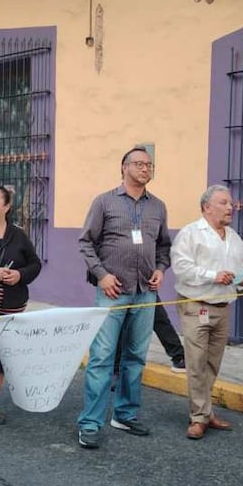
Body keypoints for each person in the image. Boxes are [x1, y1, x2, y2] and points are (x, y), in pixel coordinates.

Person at [76, 146, 172, 449]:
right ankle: (90, 423)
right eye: (139, 164)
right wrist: (102, 275)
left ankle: (125, 414)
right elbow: (86, 243)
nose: (145, 169)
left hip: (145, 294)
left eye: (149, 165)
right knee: (102, 359)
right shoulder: (104, 202)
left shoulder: (158, 206)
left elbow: (164, 246)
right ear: (124, 168)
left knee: (135, 357)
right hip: (112, 293)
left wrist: (160, 269)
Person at [171, 185, 243, 439]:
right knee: (196, 363)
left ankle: (205, 412)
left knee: (212, 364)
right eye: (224, 203)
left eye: (231, 203)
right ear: (207, 207)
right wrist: (213, 276)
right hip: (196, 306)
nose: (231, 207)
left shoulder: (234, 237)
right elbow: (182, 268)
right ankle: (198, 417)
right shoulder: (191, 234)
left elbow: (239, 267)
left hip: (222, 307)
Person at [0, 185, 42, 424]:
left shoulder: (18, 234)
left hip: (11, 306)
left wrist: (19, 275)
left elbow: (35, 264)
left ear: (6, 206)